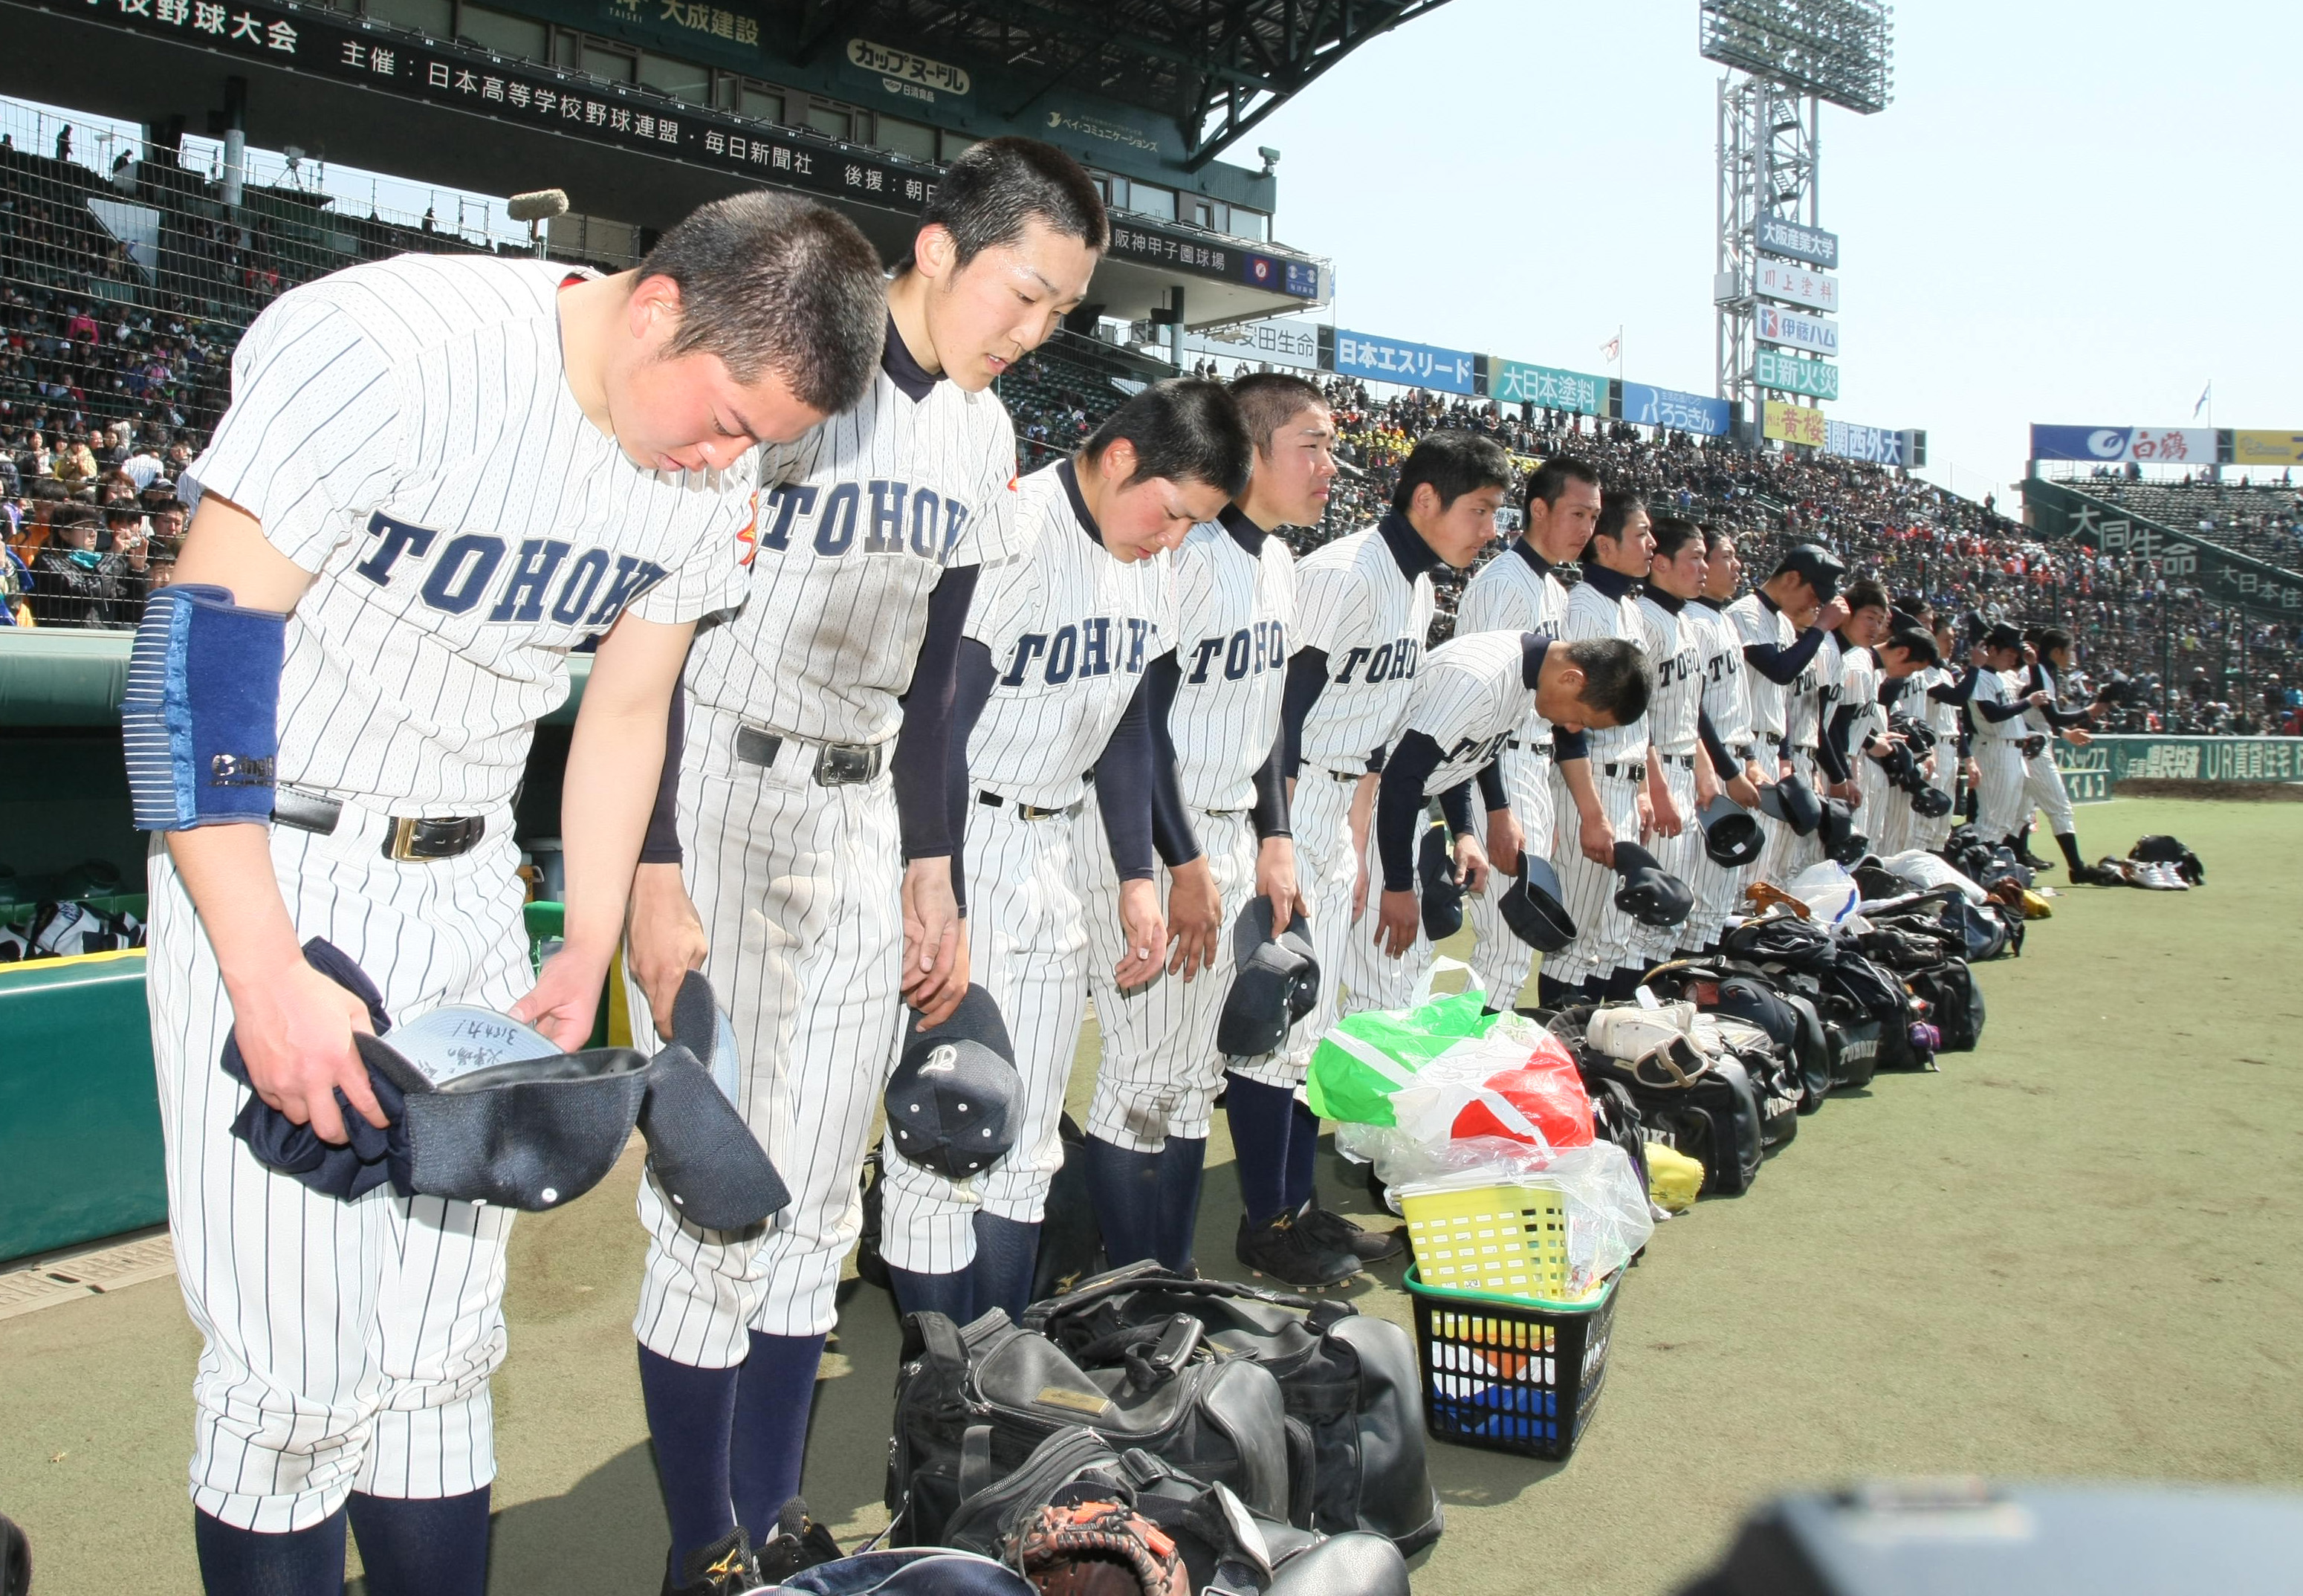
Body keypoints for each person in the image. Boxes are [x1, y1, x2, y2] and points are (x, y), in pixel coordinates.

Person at [139, 191, 887, 1596]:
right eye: (727, 418)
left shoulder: (714, 457)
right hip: (275, 860)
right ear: (658, 306)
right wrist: (258, 970)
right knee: (293, 1374)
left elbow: (626, 705)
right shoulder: (389, 345)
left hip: (474, 872)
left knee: (438, 1352)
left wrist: (591, 932)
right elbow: (196, 656)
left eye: (763, 444)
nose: (729, 458)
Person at [616, 139, 1107, 1594]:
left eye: (1063, 313)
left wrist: (931, 866)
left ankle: (765, 1524)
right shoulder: (775, 370)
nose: (1032, 329)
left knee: (820, 1204)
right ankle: (698, 1545)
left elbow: (941, 676)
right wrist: (648, 860)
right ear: (938, 248)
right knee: (711, 1193)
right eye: (1023, 290)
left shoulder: (980, 438)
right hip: (713, 778)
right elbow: (654, 643)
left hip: (853, 814)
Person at [892, 379, 1248, 1326]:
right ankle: (942, 1384)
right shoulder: (1014, 530)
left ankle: (998, 1369)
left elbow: (1132, 722)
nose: (1174, 539)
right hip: (961, 840)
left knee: (1025, 1149)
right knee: (946, 1138)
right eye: (1172, 513)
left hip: (1050, 848)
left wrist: (1140, 873)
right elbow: (938, 727)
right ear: (1122, 457)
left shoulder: (1152, 559)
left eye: (1194, 525)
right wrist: (944, 898)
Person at [1078, 372, 1331, 1278]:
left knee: (1188, 1085)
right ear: (1252, 451)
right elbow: (1137, 726)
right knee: (1143, 1080)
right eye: (1311, 445)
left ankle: (1167, 1280)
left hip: (1224, 836)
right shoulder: (1179, 554)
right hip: (1154, 838)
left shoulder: (1278, 563)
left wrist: (1275, 834)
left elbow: (1264, 722)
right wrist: (1180, 864)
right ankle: (1130, 1290)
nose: (1329, 466)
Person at [1264, 429, 1508, 1285]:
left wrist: (1365, 849)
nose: (1488, 529)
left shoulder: (1415, 588)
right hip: (1285, 805)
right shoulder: (1344, 572)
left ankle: (1296, 1209)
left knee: (1313, 1023)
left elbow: (1374, 745)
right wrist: (1282, 836)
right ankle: (1272, 1221)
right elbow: (1281, 717)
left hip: (1339, 813)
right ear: (1425, 500)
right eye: (1478, 510)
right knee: (1280, 1030)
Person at [1371, 634, 1649, 989]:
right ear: (1572, 678)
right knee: (1388, 977)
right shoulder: (1483, 677)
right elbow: (1402, 776)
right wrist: (1397, 885)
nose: (1573, 729)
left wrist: (1464, 832)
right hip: (1378, 805)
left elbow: (1459, 755)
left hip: (1401, 807)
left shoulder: (1525, 678)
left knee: (1399, 973)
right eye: (1581, 716)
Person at [1452, 456, 1599, 1011]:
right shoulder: (1501, 585)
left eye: (1593, 516)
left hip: (1530, 766)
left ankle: (1481, 1069)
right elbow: (1479, 709)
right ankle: (1464, 1069)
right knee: (1506, 942)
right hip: (1497, 764)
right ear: (1538, 509)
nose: (1586, 527)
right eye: (1576, 513)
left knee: (1514, 951)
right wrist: (1497, 809)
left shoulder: (1556, 593)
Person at [1539, 491, 1662, 1005]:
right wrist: (1591, 812)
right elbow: (1572, 720)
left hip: (1623, 779)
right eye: (1640, 534)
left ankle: (1597, 1046)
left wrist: (1641, 789)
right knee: (1577, 935)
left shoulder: (1628, 610)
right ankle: (1568, 1049)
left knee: (1609, 935)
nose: (1651, 543)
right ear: (1605, 546)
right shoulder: (1584, 607)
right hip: (1589, 783)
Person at [1726, 546, 1848, 887]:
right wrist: (1821, 628)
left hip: (1770, 749)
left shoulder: (1780, 622)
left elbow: (1784, 702)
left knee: (1768, 872)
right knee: (1742, 873)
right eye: (1814, 595)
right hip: (1744, 750)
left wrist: (1785, 757)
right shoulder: (1745, 612)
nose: (1816, 606)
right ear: (1793, 578)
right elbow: (1780, 671)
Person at [1628, 516, 1720, 969]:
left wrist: (1705, 768)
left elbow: (1690, 709)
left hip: (1684, 766)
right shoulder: (1645, 619)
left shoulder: (1685, 622)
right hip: (1658, 767)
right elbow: (1634, 709)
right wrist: (1655, 785)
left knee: (1675, 915)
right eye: (1695, 558)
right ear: (1660, 563)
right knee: (1651, 918)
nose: (1704, 568)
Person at [1681, 527, 1768, 953]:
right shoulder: (1692, 621)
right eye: (1726, 557)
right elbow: (1693, 707)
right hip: (1707, 767)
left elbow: (1737, 703)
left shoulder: (1723, 618)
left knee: (1717, 901)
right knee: (1696, 899)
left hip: (1733, 758)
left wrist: (1750, 758)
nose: (1736, 567)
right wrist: (1728, 770)